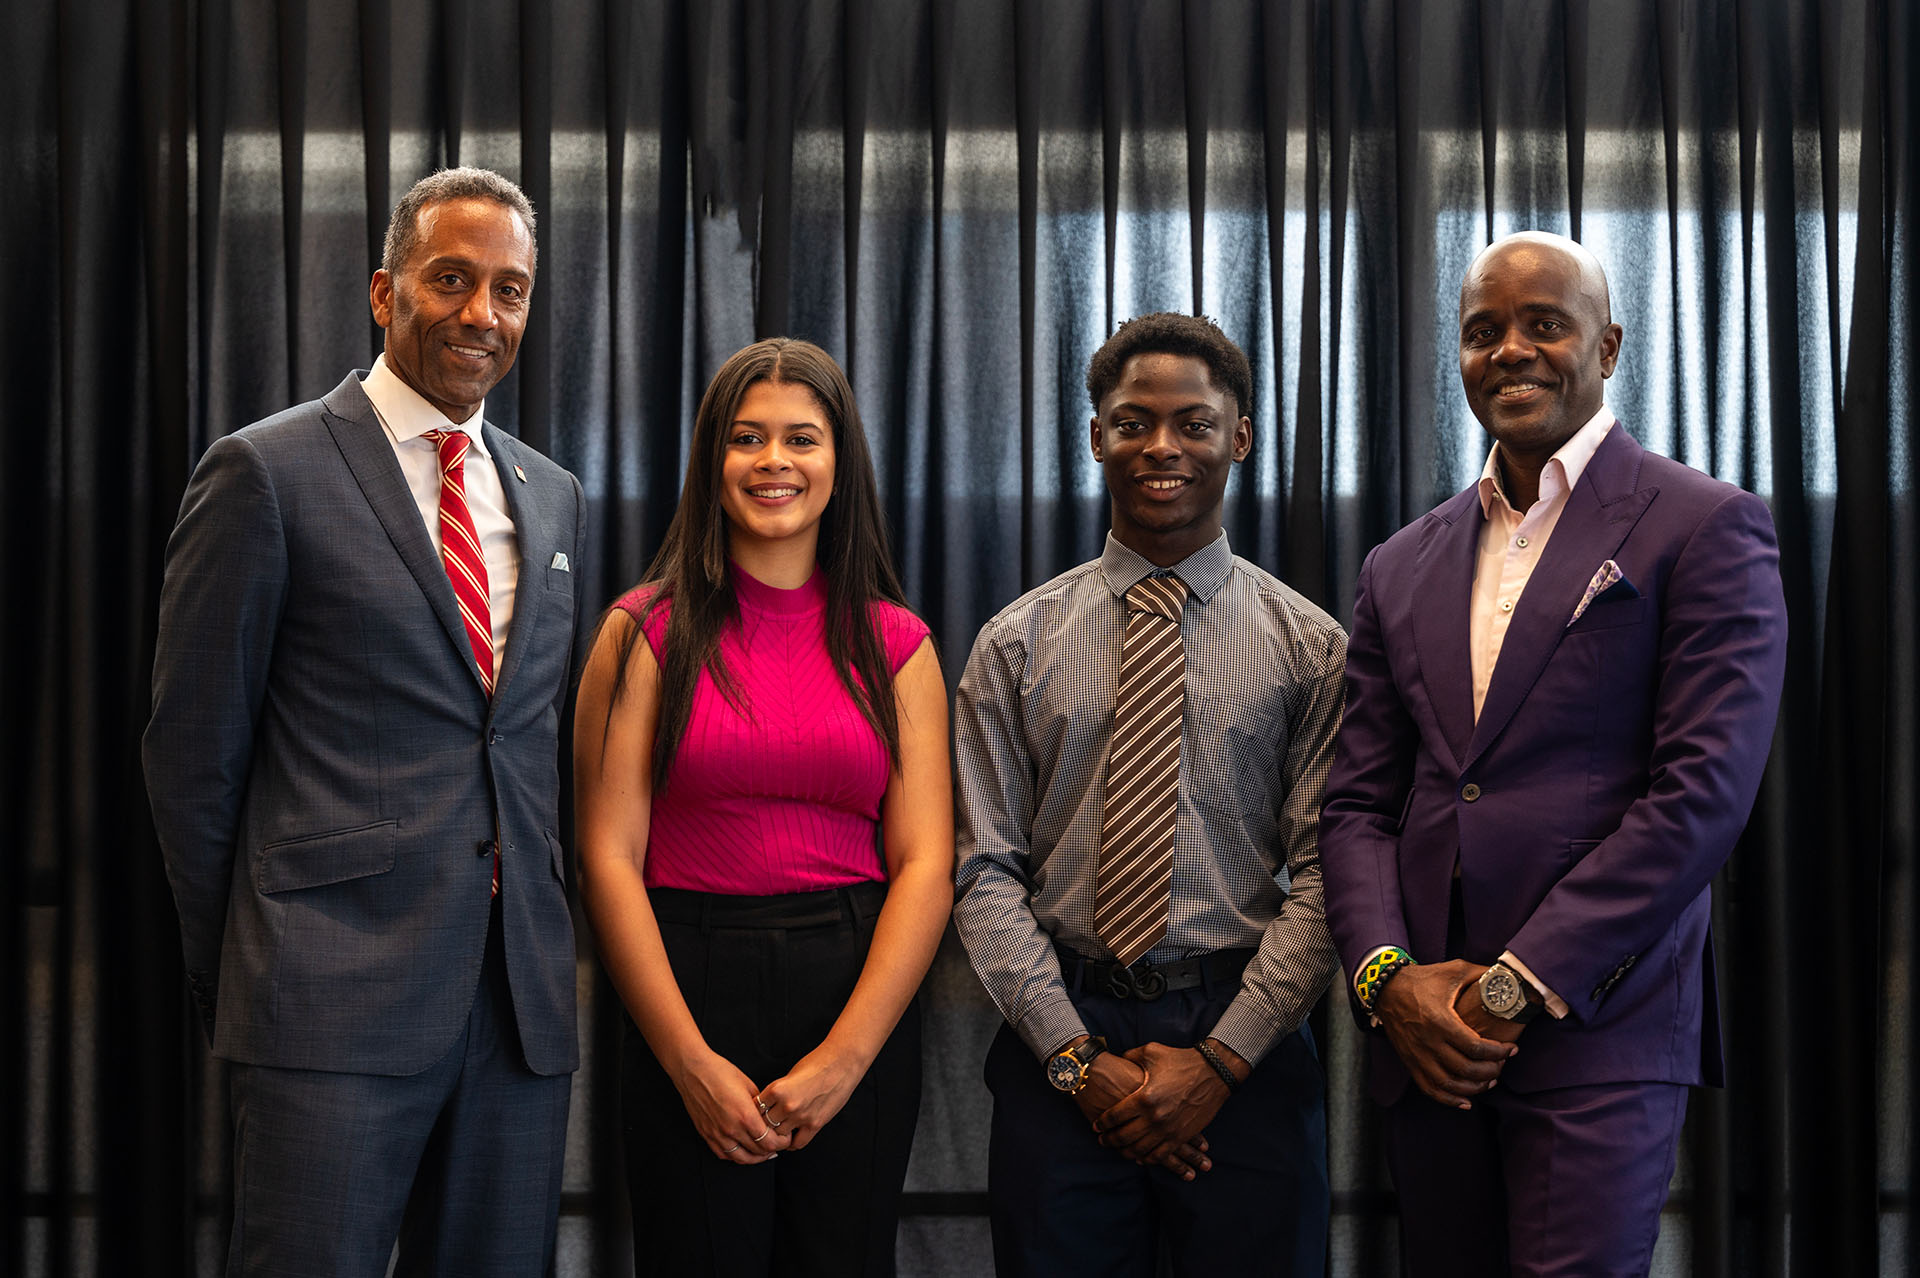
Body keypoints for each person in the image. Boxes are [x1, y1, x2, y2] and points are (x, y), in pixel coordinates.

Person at [1319, 230, 1790, 1275]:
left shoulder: (1704, 524)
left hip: (1598, 1028)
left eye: (1545, 324)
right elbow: (1356, 807)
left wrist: (1512, 986)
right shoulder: (1400, 562)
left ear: (1609, 345)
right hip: (1425, 1043)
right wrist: (1390, 981)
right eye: (1484, 332)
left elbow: (1701, 796)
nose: (1512, 351)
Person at [144, 168, 586, 1274]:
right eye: (452, 279)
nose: (483, 313)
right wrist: (252, 964)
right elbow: (192, 762)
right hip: (324, 1002)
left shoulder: (553, 494)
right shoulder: (265, 473)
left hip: (517, 1012)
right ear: (385, 292)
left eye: (511, 290)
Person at [951, 313, 1343, 1276]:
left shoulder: (1312, 648)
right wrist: (1076, 1061)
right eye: (1132, 422)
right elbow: (982, 868)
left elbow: (1331, 873)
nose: (1161, 446)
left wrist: (1220, 1064)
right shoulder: (1014, 645)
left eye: (1193, 423)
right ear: (1096, 439)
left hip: (1246, 1045)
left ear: (1239, 438)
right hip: (1061, 1046)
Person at [573, 337, 951, 1277]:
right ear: (714, 461)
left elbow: (927, 866)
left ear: (840, 464)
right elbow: (608, 857)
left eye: (802, 439)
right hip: (686, 987)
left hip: (855, 991)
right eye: (747, 439)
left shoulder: (896, 644)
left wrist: (845, 1062)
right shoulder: (641, 632)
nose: (774, 462)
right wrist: (689, 1065)